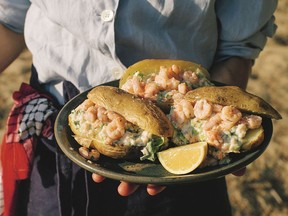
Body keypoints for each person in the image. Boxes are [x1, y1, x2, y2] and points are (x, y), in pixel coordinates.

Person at [0, 0, 278, 215]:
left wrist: (216, 132)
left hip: (184, 161)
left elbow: (236, 51)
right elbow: (9, 20)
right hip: (56, 142)